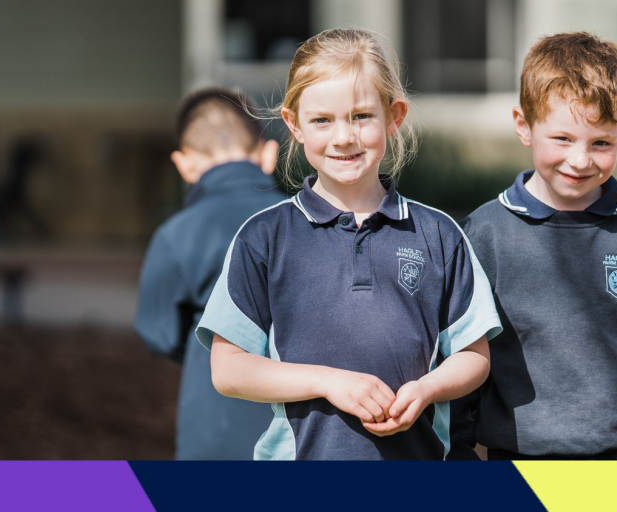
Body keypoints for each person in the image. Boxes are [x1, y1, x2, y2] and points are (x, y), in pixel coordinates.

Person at [194, 28, 502, 460]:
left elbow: (475, 357)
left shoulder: (440, 234)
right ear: (294, 124)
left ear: (394, 116)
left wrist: (428, 390)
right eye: (322, 120)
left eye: (361, 116)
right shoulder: (264, 238)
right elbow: (227, 370)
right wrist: (328, 381)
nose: (343, 137)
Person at [449, 32, 617, 461]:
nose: (581, 160)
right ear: (523, 126)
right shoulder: (480, 236)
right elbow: (459, 351)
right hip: (520, 468)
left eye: (601, 143)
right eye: (563, 139)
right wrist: (457, 452)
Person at [134, 88, 284, 460]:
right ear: (268, 155)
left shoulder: (176, 235)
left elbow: (159, 333)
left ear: (184, 165)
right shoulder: (309, 223)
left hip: (214, 430)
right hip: (302, 429)